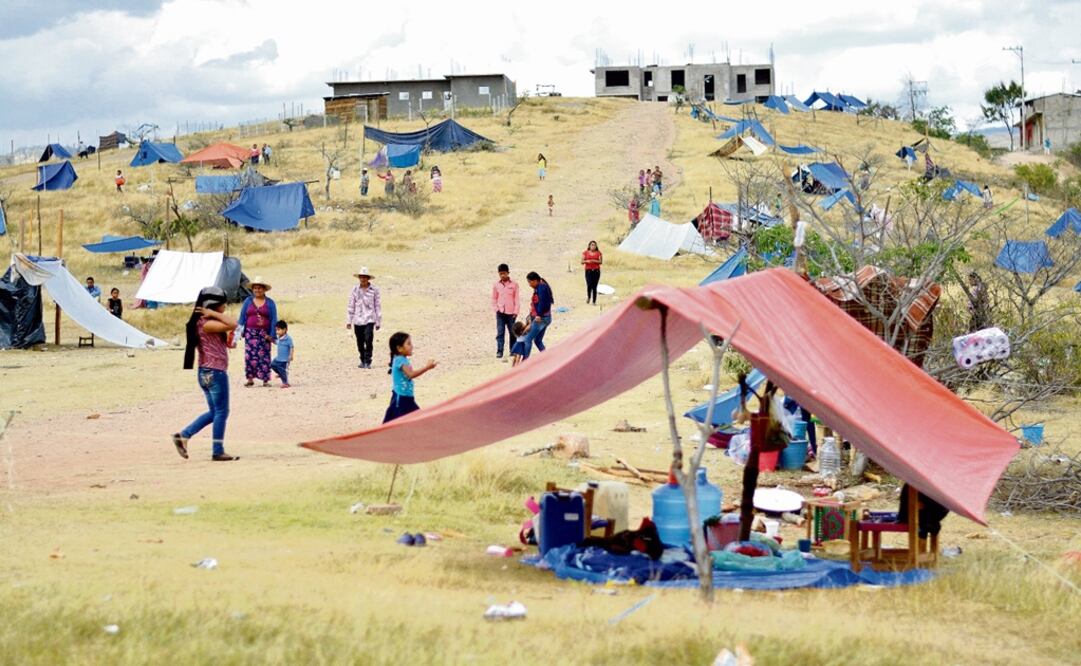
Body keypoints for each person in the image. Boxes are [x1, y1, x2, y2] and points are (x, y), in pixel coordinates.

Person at [173, 286, 239, 461]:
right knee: (222, 412)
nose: (224, 308)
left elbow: (226, 333)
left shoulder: (201, 322)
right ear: (213, 305)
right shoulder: (206, 322)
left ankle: (184, 435)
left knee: (215, 412)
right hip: (215, 372)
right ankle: (217, 450)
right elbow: (233, 324)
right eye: (222, 305)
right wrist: (213, 313)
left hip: (205, 372)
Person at [384, 331, 437, 423]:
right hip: (402, 399)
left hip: (404, 397)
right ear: (399, 348)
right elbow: (411, 374)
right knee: (416, 421)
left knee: (394, 423)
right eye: (408, 344)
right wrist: (427, 367)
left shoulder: (401, 359)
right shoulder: (400, 360)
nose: (412, 346)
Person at [237, 277, 277, 387]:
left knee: (264, 357)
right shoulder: (248, 301)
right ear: (252, 289)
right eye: (255, 288)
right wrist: (238, 333)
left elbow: (274, 319)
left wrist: (272, 335)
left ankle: (265, 380)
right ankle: (250, 379)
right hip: (250, 333)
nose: (257, 290)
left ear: (264, 290)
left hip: (264, 334)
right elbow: (242, 317)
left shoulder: (270, 303)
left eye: (259, 288)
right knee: (250, 356)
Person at [346, 267, 381, 369]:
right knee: (360, 341)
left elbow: (377, 305)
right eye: (361, 277)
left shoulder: (374, 290)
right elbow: (351, 305)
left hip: (369, 318)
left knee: (368, 339)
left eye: (365, 277)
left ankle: (368, 361)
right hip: (357, 319)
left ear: (368, 278)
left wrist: (378, 321)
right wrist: (349, 320)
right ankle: (362, 359)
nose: (363, 279)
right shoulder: (355, 290)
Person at [519, 271, 553, 359]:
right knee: (538, 340)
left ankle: (525, 362)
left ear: (535, 281)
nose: (529, 284)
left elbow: (543, 302)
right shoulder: (541, 286)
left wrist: (538, 315)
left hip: (541, 318)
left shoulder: (541, 287)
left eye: (530, 282)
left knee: (527, 339)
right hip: (546, 317)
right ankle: (547, 358)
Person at [492, 263, 519, 359]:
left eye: (504, 273)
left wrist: (516, 312)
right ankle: (499, 351)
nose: (502, 275)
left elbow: (516, 299)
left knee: (512, 332)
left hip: (511, 313)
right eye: (500, 274)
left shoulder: (514, 284)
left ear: (508, 273)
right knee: (500, 332)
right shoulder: (496, 285)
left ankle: (513, 350)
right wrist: (496, 309)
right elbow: (494, 298)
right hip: (500, 312)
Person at [270, 321, 294, 388]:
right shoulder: (279, 338)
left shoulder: (288, 339)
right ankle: (280, 374)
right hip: (278, 358)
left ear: (285, 329)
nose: (277, 332)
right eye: (276, 330)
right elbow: (276, 342)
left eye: (278, 330)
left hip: (284, 359)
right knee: (272, 364)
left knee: (282, 370)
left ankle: (285, 383)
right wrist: (270, 339)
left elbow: (291, 347)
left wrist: (291, 355)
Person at [581, 241, 602, 305]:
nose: (593, 246)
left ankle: (594, 301)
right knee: (589, 285)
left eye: (594, 245)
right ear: (589, 246)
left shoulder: (599, 253)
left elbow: (600, 262)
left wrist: (594, 261)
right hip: (588, 271)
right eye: (592, 245)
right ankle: (589, 297)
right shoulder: (585, 253)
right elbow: (582, 262)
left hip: (596, 271)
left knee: (594, 286)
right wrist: (587, 261)